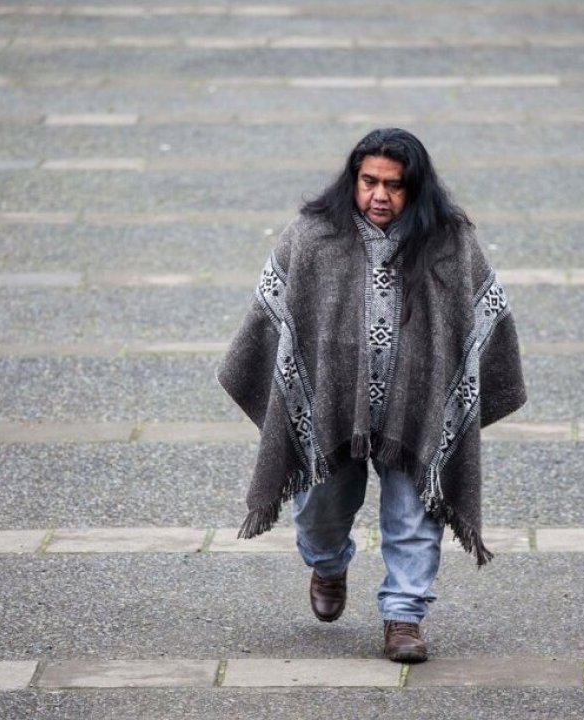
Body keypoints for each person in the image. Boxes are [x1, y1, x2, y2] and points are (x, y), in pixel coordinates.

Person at [218, 128, 526, 663]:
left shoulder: (451, 241)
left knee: (414, 515)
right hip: (330, 408)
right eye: (369, 182)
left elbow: (483, 316)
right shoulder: (313, 235)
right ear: (353, 179)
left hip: (418, 409)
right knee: (320, 513)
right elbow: (272, 314)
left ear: (416, 188)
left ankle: (404, 615)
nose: (379, 195)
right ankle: (328, 563)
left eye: (394, 185)